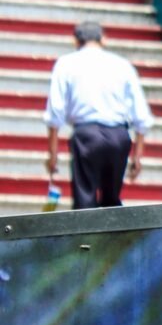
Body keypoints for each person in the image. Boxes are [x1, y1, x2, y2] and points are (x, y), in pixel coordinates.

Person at [43, 21, 154, 209]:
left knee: (85, 198)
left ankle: (87, 237)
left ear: (76, 41)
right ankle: (112, 236)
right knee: (112, 199)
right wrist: (137, 156)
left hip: (86, 136)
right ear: (103, 39)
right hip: (118, 136)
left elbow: (55, 113)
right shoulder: (122, 65)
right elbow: (141, 115)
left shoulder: (66, 64)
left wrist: (53, 154)